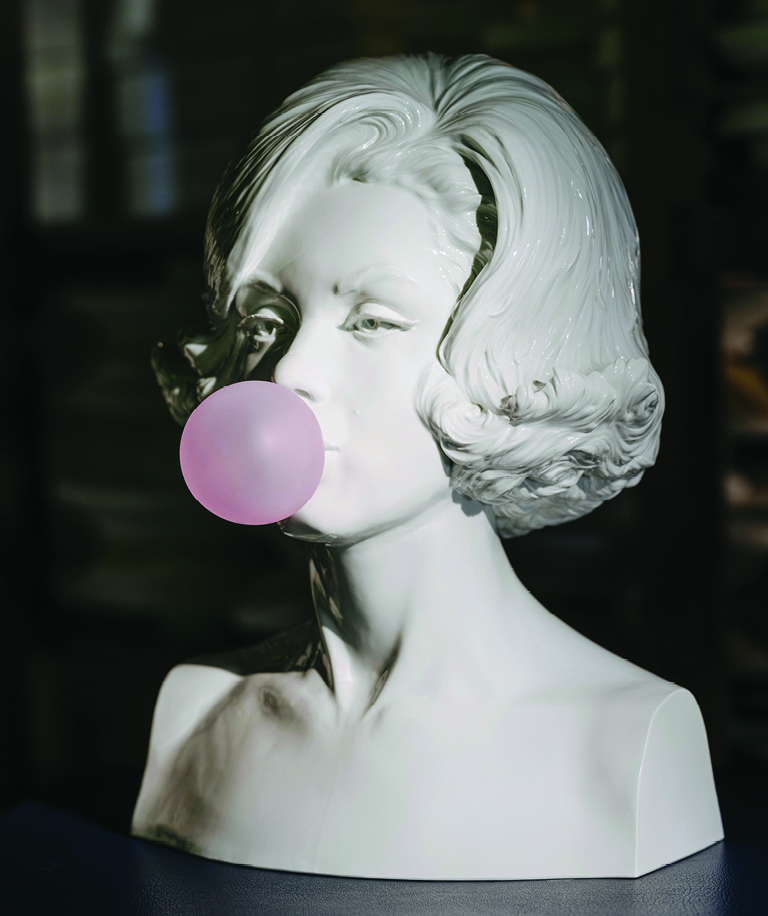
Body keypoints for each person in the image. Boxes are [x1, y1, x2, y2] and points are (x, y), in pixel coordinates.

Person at [133, 54, 723, 879]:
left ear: (515, 360)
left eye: (372, 321)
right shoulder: (194, 714)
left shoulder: (626, 746)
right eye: (267, 321)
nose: (290, 370)